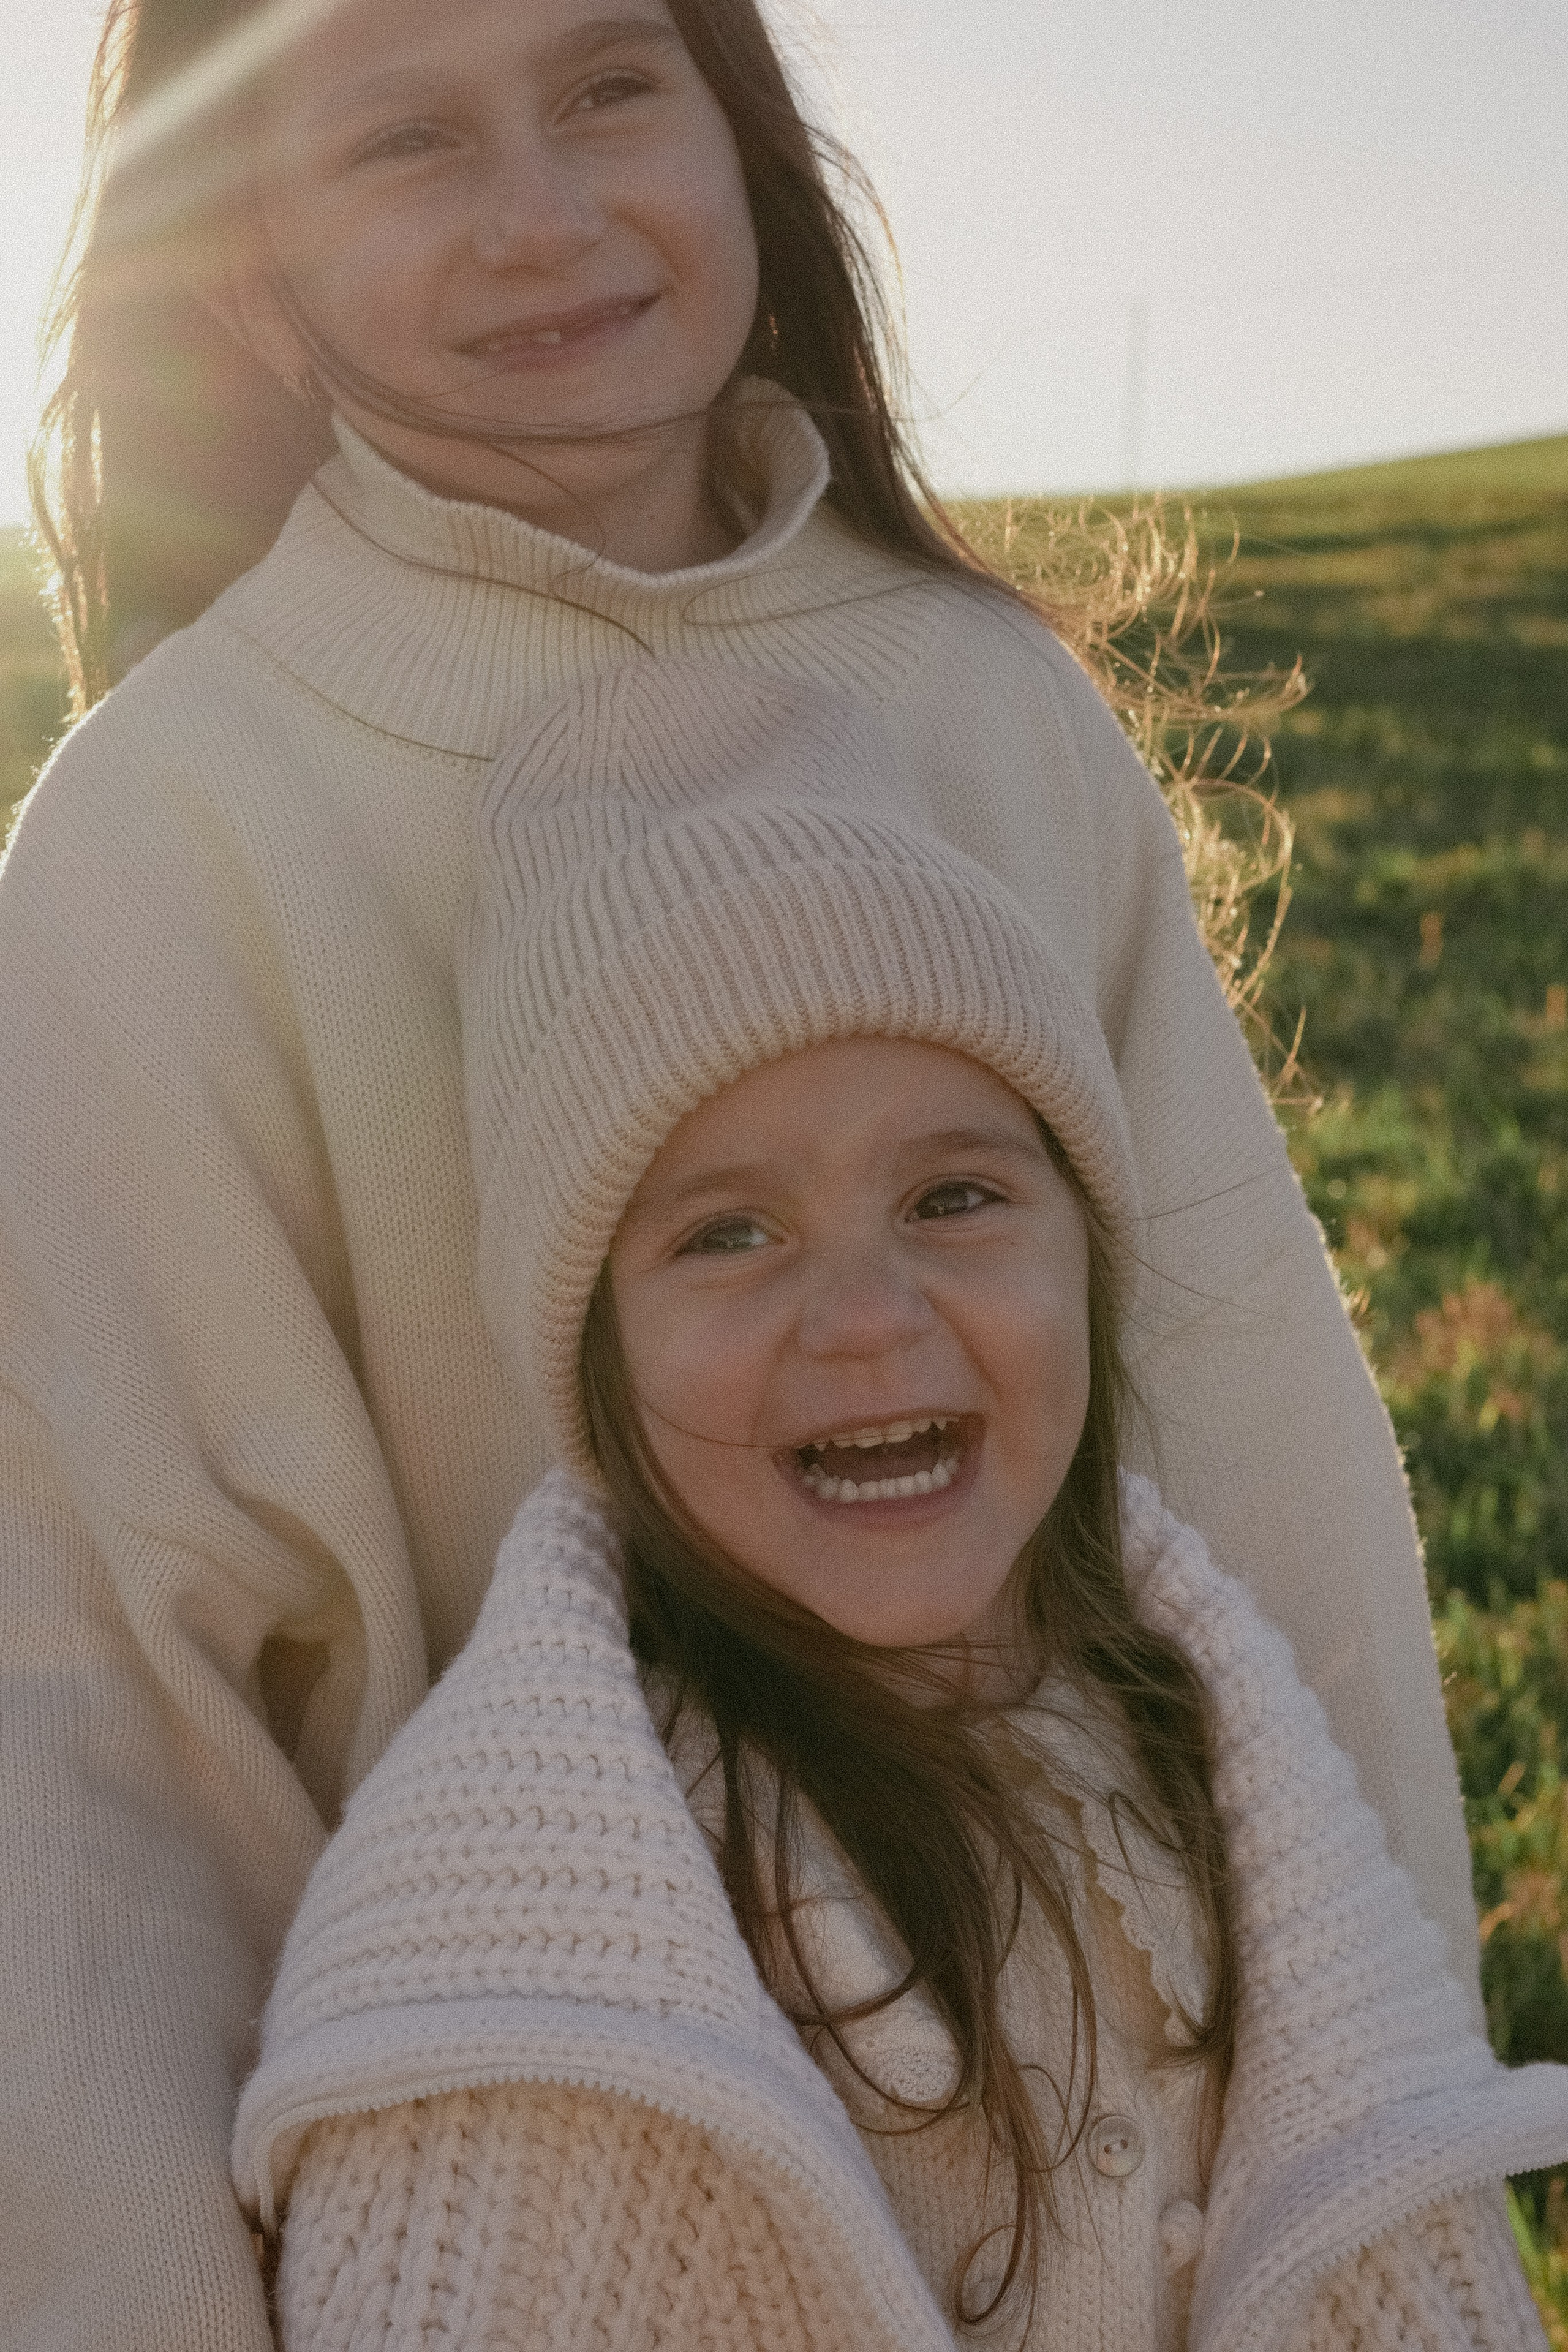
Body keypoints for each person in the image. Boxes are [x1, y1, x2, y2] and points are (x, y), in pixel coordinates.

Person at [4, 0, 1474, 2345]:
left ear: (743, 130)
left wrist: (1400, 2141)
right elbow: (87, 1722)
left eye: (611, 85)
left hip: (1137, 2150)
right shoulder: (166, 843)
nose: (545, 215)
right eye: (406, 138)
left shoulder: (989, 706)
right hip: (532, 2198)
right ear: (250, 267)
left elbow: (1264, 1461)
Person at [234, 661, 1568, 2351]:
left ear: (1089, 1260)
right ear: (594, 1350)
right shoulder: (541, 1937)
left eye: (954, 1195)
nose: (865, 1313)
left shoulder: (1202, 1738)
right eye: (726, 1231)